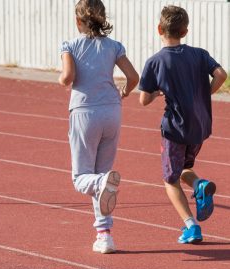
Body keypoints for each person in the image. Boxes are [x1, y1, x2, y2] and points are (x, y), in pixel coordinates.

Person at [138, 5, 227, 244]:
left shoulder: (155, 62)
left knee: (170, 179)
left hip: (175, 129)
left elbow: (143, 99)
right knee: (184, 167)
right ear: (185, 31)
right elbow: (221, 75)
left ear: (159, 29)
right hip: (199, 127)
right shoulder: (199, 54)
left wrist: (157, 92)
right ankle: (200, 184)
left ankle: (191, 226)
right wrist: (205, 95)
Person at [58, 0, 139, 254]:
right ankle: (104, 235)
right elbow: (133, 77)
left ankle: (103, 185)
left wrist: (61, 79)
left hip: (84, 112)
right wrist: (124, 92)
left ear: (77, 21)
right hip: (112, 111)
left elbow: (68, 77)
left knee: (82, 177)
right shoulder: (114, 46)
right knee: (101, 179)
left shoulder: (70, 45)